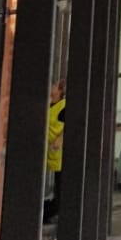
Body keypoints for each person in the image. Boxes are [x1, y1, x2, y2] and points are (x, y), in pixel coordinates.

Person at [43, 82, 65, 223]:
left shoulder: (63, 106)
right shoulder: (51, 104)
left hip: (60, 155)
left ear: (60, 91)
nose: (51, 87)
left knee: (60, 189)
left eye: (55, 86)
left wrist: (59, 140)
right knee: (58, 188)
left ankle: (48, 213)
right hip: (52, 155)